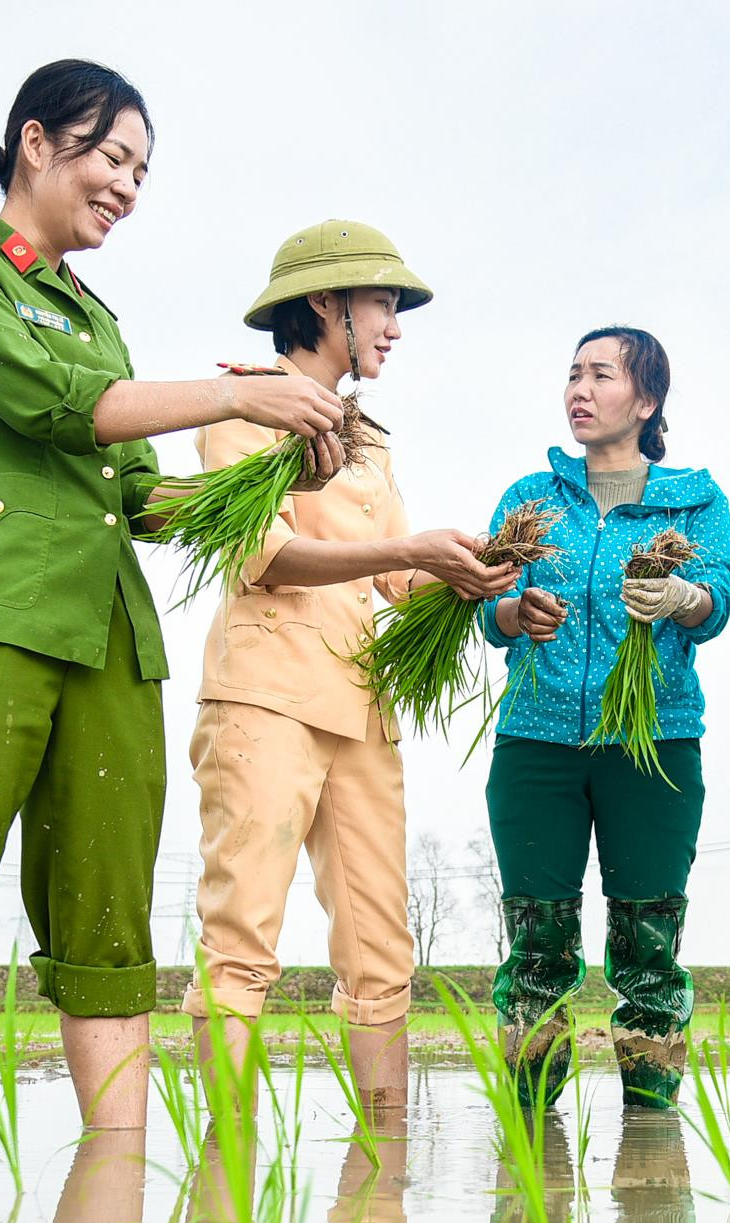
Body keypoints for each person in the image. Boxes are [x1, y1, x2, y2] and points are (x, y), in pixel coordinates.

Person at [0, 59, 345, 1140]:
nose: (126, 186)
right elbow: (44, 400)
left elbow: (145, 499)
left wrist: (268, 478)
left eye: (141, 173)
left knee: (110, 932)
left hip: (108, 644)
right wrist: (234, 392)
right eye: (112, 157)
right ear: (34, 141)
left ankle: (104, 1209)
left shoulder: (101, 323)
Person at [180, 220, 519, 1108]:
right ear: (325, 303)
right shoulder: (244, 402)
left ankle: (385, 1190)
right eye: (384, 305)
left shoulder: (366, 435)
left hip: (360, 709)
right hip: (266, 702)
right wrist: (406, 548)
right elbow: (265, 553)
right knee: (242, 938)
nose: (395, 328)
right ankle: (227, 1180)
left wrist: (483, 583)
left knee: (380, 947)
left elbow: (401, 575)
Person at [480, 326, 730, 1108]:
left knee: (648, 948)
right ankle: (531, 1147)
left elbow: (718, 598)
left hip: (652, 745)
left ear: (647, 399)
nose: (579, 390)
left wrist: (683, 598)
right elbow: (485, 602)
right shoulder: (531, 497)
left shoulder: (694, 499)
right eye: (572, 374)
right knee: (537, 945)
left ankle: (652, 1147)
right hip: (536, 744)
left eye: (601, 375)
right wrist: (514, 613)